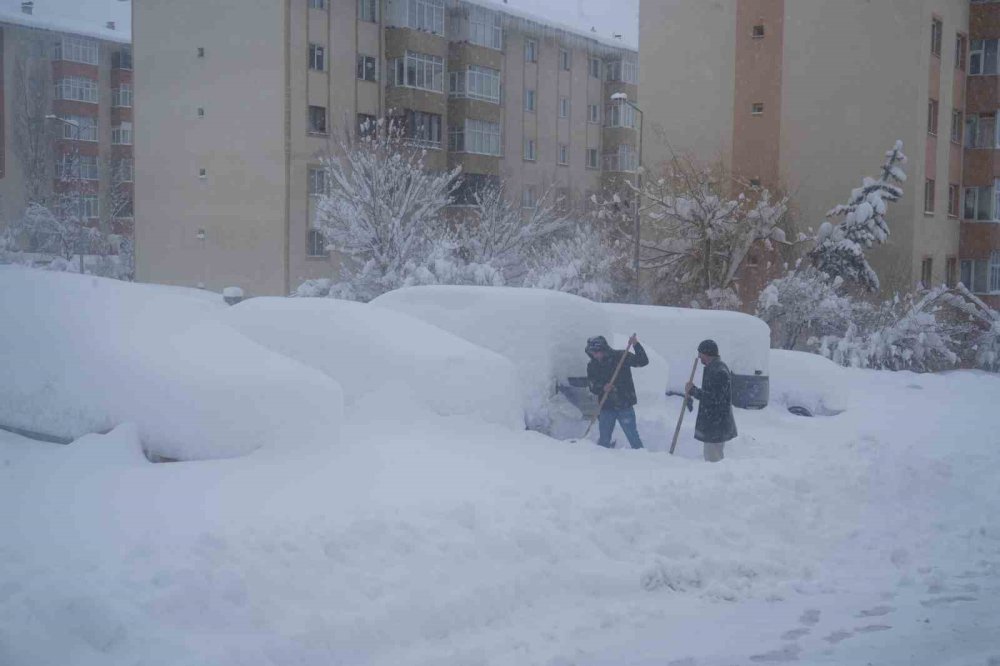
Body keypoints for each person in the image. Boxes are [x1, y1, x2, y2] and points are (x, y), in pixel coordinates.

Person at [585, 334, 648, 449]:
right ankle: (602, 461)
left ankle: (643, 459)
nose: (594, 355)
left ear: (603, 349)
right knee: (604, 439)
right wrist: (602, 387)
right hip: (606, 407)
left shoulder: (621, 357)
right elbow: (592, 385)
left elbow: (643, 361)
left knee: (633, 437)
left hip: (624, 405)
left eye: (596, 352)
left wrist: (636, 345)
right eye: (592, 353)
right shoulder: (592, 365)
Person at [685, 339, 738, 462]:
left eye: (700, 353)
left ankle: (719, 480)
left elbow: (714, 398)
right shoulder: (713, 368)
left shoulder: (719, 371)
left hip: (717, 425)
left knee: (713, 461)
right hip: (714, 424)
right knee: (712, 458)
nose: (699, 357)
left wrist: (694, 391)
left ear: (707, 353)